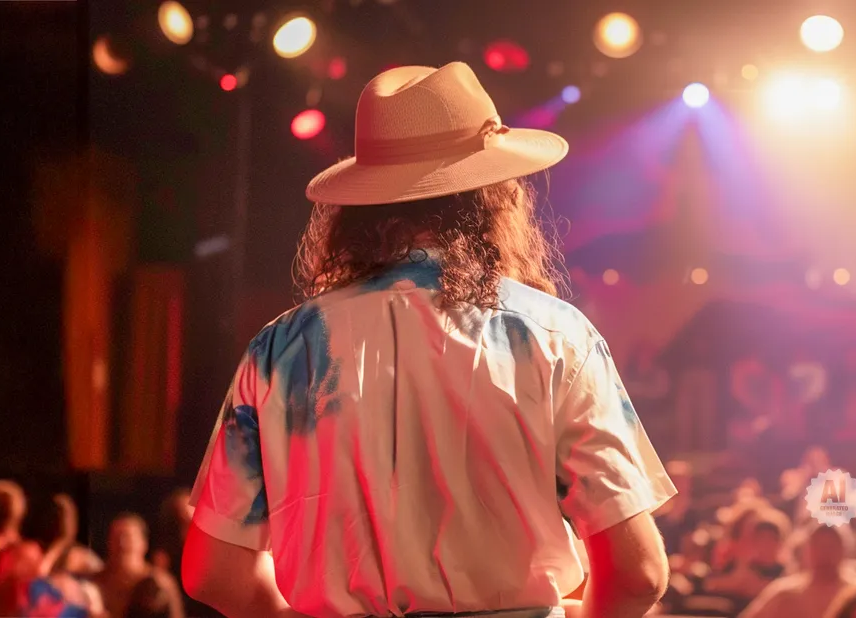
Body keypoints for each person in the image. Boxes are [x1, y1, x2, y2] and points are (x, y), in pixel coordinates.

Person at [181, 62, 676, 618]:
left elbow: (213, 574)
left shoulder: (280, 350)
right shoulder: (555, 336)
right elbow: (638, 575)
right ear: (494, 197)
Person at [740, 524, 856, 618]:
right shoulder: (785, 593)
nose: (824, 553)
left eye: (831, 546)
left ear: (844, 550)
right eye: (818, 546)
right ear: (806, 551)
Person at [96, 514, 183, 618]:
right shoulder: (96, 582)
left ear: (143, 544)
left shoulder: (161, 582)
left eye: (127, 537)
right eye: (116, 537)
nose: (122, 544)